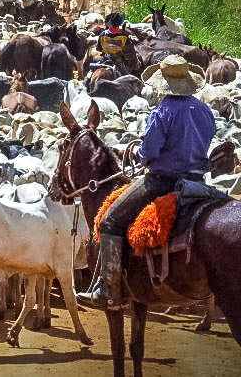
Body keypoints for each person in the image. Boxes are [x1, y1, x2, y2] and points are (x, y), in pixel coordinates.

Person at [76, 54, 216, 310]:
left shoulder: (163, 110)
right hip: (197, 181)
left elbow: (149, 151)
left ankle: (109, 289)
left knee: (110, 221)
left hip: (163, 182)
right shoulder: (204, 110)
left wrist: (138, 154)